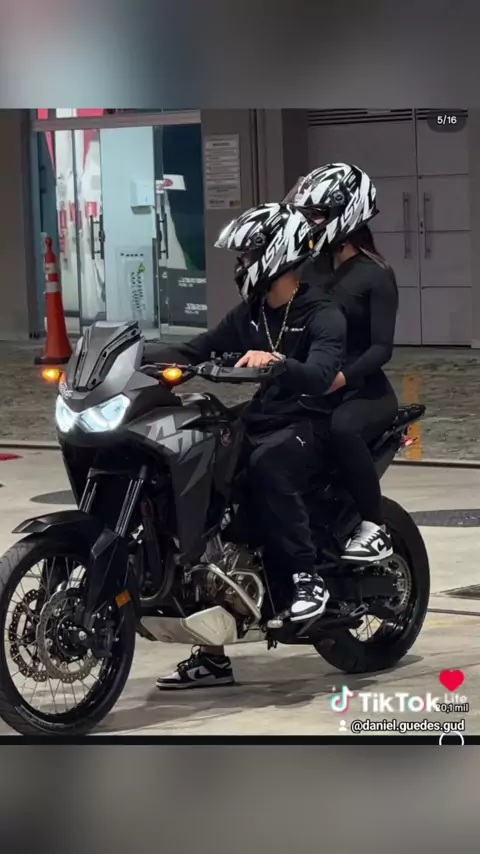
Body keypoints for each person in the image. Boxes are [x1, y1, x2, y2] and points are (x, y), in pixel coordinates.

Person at [144, 201, 346, 689]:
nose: (241, 264)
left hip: (309, 421)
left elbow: (322, 375)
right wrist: (133, 354)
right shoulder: (251, 314)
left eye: (248, 254)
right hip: (265, 416)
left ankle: (306, 579)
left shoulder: (323, 313)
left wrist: (276, 362)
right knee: (200, 458)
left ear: (280, 252)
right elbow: (197, 348)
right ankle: (212, 650)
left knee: (269, 464)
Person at [287, 162, 399, 562]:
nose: (311, 223)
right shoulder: (311, 268)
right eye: (309, 215)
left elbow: (381, 348)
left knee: (342, 428)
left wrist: (342, 377)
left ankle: (375, 526)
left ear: (347, 213)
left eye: (319, 215)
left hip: (363, 392)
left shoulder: (376, 275)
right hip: (315, 383)